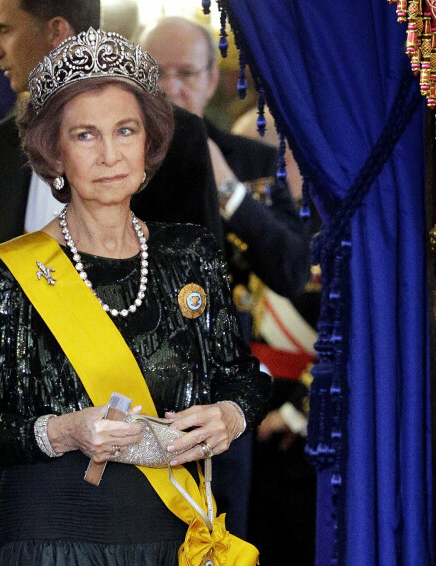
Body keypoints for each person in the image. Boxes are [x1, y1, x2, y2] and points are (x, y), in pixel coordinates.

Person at [0, 29, 270, 565]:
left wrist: (230, 414)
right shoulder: (10, 274)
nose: (110, 154)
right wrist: (65, 431)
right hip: (52, 543)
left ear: (148, 143)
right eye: (86, 135)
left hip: (171, 541)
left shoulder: (190, 256)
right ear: (55, 152)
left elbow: (242, 374)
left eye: (126, 130)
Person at [140, 16, 311, 537]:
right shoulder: (115, 160)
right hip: (130, 395)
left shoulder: (254, 161)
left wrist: (228, 188)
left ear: (212, 79)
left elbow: (291, 269)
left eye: (186, 73)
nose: (172, 89)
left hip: (223, 402)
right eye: (156, 73)